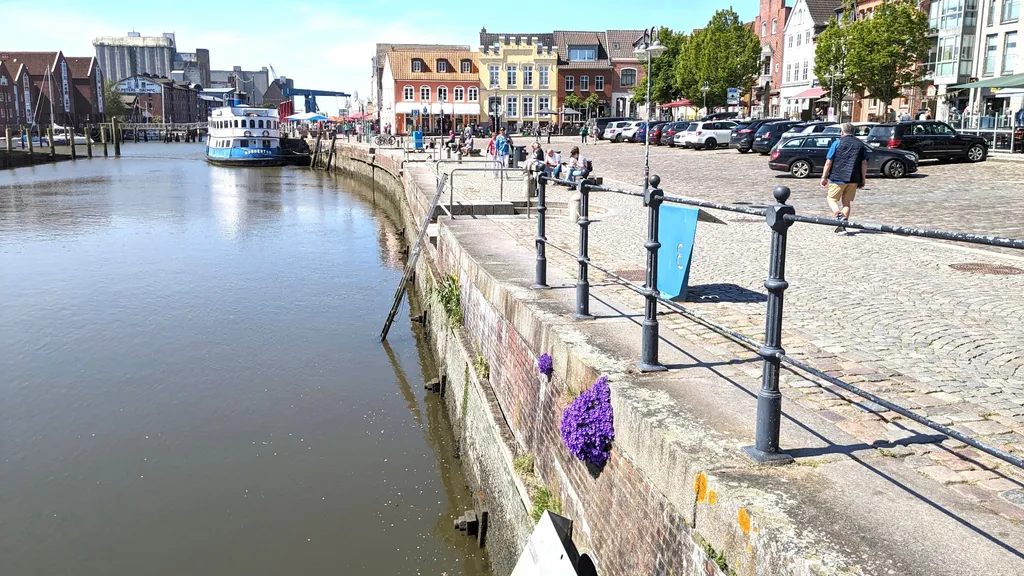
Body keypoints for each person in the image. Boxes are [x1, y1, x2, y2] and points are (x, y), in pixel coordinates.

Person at [820, 123, 868, 234]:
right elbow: (864, 163)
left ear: (842, 132)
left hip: (837, 177)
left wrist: (824, 177)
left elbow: (829, 161)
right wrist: (863, 178)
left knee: (831, 199)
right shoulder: (860, 144)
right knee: (846, 203)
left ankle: (838, 214)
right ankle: (842, 226)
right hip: (853, 179)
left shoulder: (837, 143)